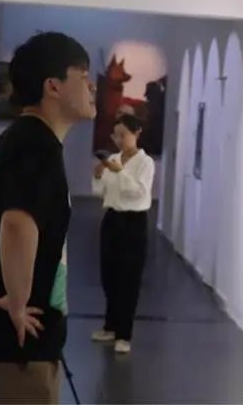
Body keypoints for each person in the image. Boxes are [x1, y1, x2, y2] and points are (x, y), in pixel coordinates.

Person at [0, 32, 96, 405]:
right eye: (83, 77)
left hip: (5, 341)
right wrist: (18, 302)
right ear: (53, 86)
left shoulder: (23, 138)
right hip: (9, 344)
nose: (92, 87)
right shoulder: (36, 145)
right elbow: (16, 223)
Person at [91, 114, 155, 355]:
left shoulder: (145, 162)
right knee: (109, 275)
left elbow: (138, 193)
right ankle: (110, 326)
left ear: (136, 133)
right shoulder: (113, 159)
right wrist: (99, 175)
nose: (118, 140)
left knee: (129, 279)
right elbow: (100, 192)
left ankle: (124, 334)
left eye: (123, 135)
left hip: (133, 222)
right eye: (115, 136)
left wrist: (120, 172)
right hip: (112, 219)